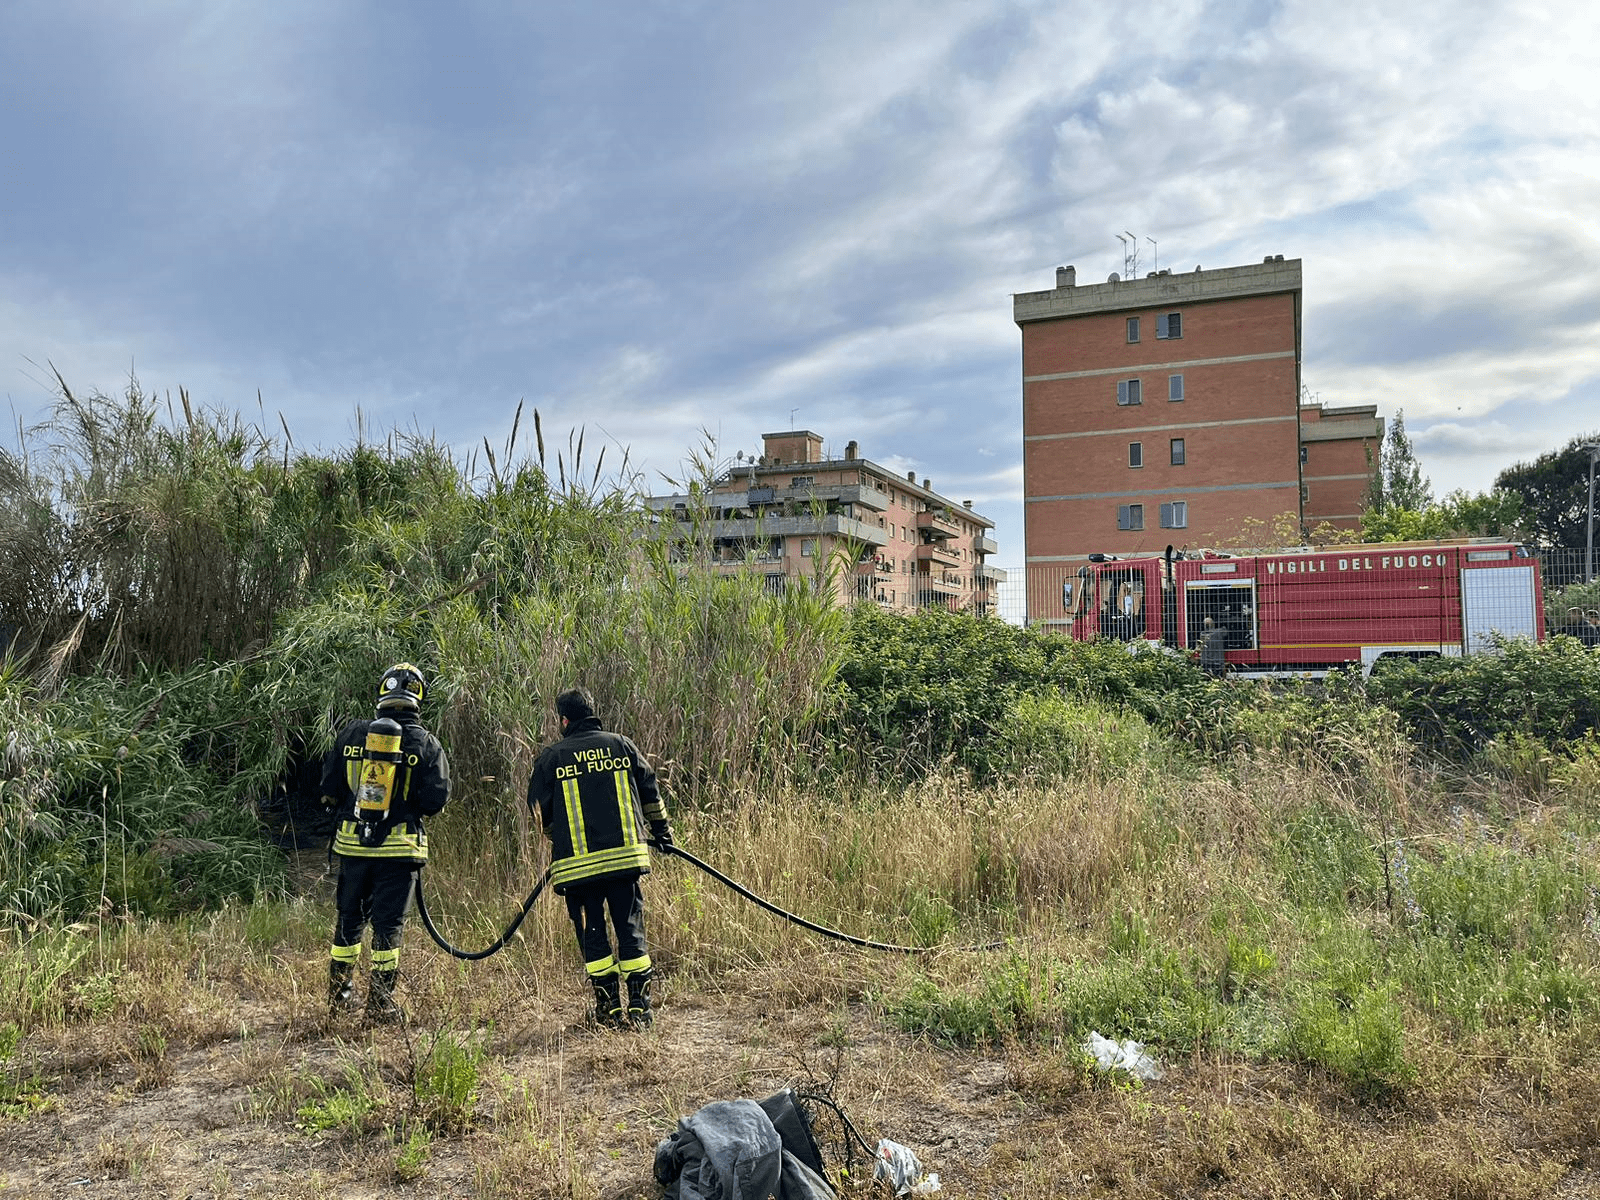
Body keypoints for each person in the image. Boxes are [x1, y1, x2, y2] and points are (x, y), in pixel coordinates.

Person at [527, 687, 672, 1029]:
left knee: (593, 934)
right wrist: (662, 833)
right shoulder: (621, 744)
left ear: (564, 720)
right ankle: (640, 1009)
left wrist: (558, 838)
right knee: (630, 929)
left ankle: (607, 1010)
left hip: (578, 869)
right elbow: (650, 790)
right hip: (625, 862)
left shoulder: (552, 758)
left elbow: (539, 814)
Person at [320, 662, 451, 1022]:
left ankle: (340, 999)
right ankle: (380, 1005)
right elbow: (435, 801)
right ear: (419, 697)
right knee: (388, 927)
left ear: (381, 692)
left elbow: (328, 788)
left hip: (352, 849)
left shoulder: (351, 735)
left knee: (348, 922)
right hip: (399, 852)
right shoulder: (426, 744)